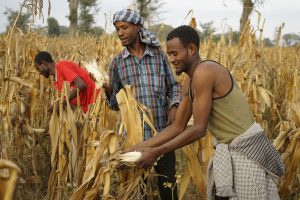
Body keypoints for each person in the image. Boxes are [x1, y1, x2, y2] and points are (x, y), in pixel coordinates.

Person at [130, 25, 285, 200]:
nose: (171, 59)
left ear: (191, 49)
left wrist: (157, 151)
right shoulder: (189, 81)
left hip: (246, 150)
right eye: (169, 54)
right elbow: (177, 127)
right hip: (229, 149)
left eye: (175, 53)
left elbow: (199, 129)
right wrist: (135, 149)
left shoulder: (205, 71)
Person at [104, 9, 181, 200]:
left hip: (163, 135)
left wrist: (174, 106)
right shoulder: (117, 64)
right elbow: (115, 105)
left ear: (138, 28)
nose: (120, 32)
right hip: (134, 141)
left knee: (168, 186)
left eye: (124, 27)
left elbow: (173, 87)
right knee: (139, 190)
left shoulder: (159, 56)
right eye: (117, 29)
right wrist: (107, 90)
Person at [34, 51, 99, 113]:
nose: (39, 72)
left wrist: (62, 103)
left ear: (44, 64)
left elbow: (80, 84)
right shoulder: (56, 84)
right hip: (87, 109)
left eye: (38, 68)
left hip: (96, 102)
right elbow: (72, 102)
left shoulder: (61, 66)